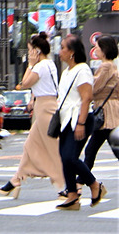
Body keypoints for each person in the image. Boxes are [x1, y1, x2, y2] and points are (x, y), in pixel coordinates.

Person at [0, 32, 64, 198]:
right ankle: (16, 180)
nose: (29, 54)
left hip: (44, 108)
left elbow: (24, 83)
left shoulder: (40, 66)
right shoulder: (50, 64)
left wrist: (30, 65)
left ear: (37, 51)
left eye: (30, 50)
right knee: (29, 146)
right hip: (45, 104)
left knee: (52, 148)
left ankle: (63, 186)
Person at [54, 35, 107, 210]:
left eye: (62, 48)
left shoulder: (82, 70)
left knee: (70, 157)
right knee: (64, 159)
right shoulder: (66, 71)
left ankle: (94, 184)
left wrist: (81, 123)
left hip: (80, 119)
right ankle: (71, 195)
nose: (59, 51)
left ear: (72, 53)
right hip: (66, 120)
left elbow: (86, 98)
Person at [81, 35, 119, 170]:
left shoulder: (106, 67)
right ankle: (82, 182)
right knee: (109, 147)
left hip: (106, 114)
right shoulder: (112, 66)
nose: (95, 49)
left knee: (91, 149)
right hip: (110, 112)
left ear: (104, 49)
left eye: (97, 47)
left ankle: (81, 183)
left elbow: (94, 87)